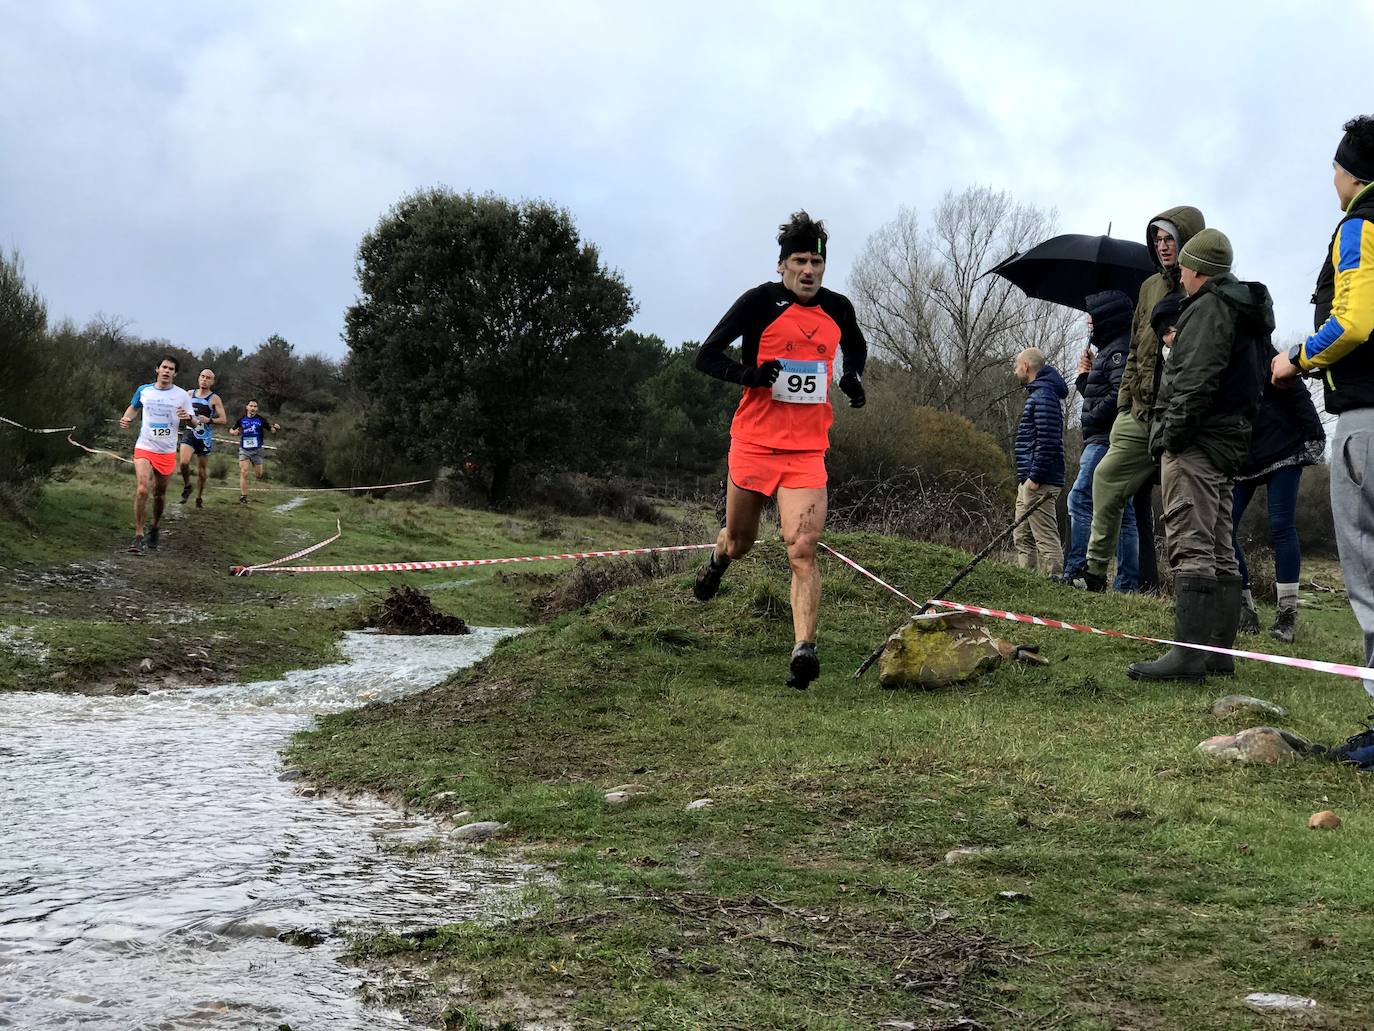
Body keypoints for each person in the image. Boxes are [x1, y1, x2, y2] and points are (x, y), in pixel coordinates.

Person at [692, 210, 867, 690]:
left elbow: (856, 347)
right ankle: (718, 561)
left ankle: (803, 651)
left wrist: (852, 377)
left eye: (817, 262)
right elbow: (706, 355)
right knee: (741, 542)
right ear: (781, 265)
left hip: (807, 451)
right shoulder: (758, 302)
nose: (809, 271)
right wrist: (748, 375)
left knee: (802, 549)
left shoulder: (839, 307)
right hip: (754, 442)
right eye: (799, 261)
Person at [1128, 229, 1273, 680]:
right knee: (1218, 546)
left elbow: (1194, 380)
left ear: (1198, 269)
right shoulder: (1241, 308)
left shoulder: (1209, 308)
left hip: (1198, 441)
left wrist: (1169, 435)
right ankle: (1217, 653)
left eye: (1186, 267)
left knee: (1190, 542)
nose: (1182, 274)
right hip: (1227, 442)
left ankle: (1188, 655)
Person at [1272, 114, 1374, 697]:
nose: (1332, 178)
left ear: (1352, 173)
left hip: (1366, 420)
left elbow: (1355, 321)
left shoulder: (1360, 225)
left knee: (1364, 565)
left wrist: (1297, 357)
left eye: (1336, 167)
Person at [1075, 206, 1205, 592]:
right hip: (1138, 410)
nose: (1163, 246)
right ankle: (1095, 572)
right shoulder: (1148, 288)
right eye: (1158, 239)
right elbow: (1136, 350)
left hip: (1181, 414)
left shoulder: (1200, 285)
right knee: (1104, 478)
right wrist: (1125, 402)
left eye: (1170, 239)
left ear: (1188, 240)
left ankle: (1213, 592)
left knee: (1190, 503)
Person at [1231, 351, 1326, 643]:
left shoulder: (1267, 354)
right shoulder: (1218, 359)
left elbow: (1299, 394)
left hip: (1284, 448)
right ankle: (1244, 606)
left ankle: (1287, 615)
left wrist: (1314, 437)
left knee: (1281, 525)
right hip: (1244, 456)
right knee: (1222, 527)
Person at [1061, 291, 1137, 590]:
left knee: (1079, 498)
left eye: (1091, 316)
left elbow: (1122, 395)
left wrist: (1094, 414)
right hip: (1108, 438)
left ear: (1106, 318)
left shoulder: (1119, 350)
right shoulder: (1110, 351)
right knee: (1123, 509)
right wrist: (1085, 377)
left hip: (1106, 440)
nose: (1088, 321)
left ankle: (1078, 571)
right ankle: (1127, 584)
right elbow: (1102, 391)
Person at [119, 355, 194, 554]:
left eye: (171, 369)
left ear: (175, 373)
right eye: (164, 367)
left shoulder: (181, 395)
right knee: (143, 488)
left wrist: (188, 419)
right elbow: (134, 408)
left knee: (159, 494)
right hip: (144, 446)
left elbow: (193, 422)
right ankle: (138, 535)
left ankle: (155, 526)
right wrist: (126, 418)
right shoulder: (144, 390)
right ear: (157, 369)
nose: (167, 371)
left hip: (166, 450)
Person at [1011, 348, 1067, 573]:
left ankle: (1057, 586)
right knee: (1022, 536)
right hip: (1029, 479)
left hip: (1040, 481)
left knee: (1045, 539)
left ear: (1026, 366)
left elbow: (1049, 439)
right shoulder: (1038, 394)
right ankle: (1027, 584)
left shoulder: (1044, 396)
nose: (1015, 371)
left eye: (1016, 366)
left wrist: (1035, 477)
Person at [177, 368, 227, 509]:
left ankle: (199, 497)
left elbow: (223, 420)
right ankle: (187, 486)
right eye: (202, 376)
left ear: (212, 381)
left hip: (204, 438)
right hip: (189, 434)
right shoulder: (189, 394)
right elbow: (178, 409)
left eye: (208, 378)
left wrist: (209, 420)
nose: (204, 380)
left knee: (201, 471)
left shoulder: (214, 398)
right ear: (199, 378)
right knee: (184, 462)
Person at [228, 399, 281, 503]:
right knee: (244, 472)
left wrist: (276, 428)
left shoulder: (260, 420)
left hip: (257, 450)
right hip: (244, 449)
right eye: (251, 406)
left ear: (257, 408)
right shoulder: (241, 419)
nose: (253, 408)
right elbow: (231, 429)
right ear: (247, 407)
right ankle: (243, 496)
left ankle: (255, 476)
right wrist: (233, 432)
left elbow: (271, 430)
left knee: (259, 475)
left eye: (255, 406)